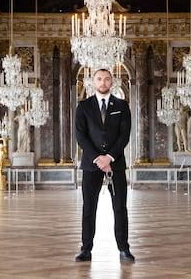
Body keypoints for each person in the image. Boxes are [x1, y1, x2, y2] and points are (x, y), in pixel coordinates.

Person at [74, 68, 134, 263]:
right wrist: (98, 159)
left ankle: (124, 248)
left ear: (112, 82)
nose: (103, 82)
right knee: (89, 209)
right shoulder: (83, 107)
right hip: (91, 166)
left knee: (120, 208)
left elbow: (124, 136)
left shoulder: (122, 106)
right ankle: (86, 249)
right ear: (93, 82)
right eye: (99, 79)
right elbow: (81, 137)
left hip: (115, 165)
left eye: (107, 79)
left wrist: (109, 157)